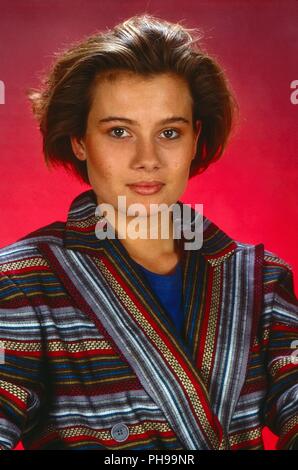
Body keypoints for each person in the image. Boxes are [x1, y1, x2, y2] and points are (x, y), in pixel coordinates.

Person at [0, 13, 297, 451]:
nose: (147, 159)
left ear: (195, 138)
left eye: (169, 132)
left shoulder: (261, 279)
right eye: (119, 131)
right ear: (80, 141)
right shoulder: (21, 281)